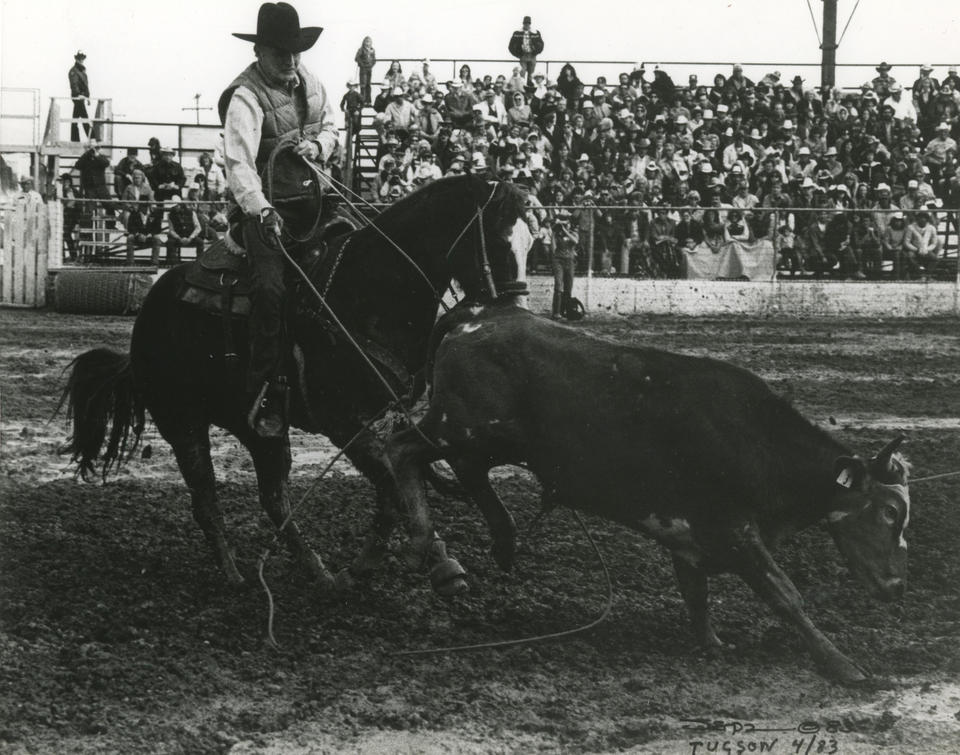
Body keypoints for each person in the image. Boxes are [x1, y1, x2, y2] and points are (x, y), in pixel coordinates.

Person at [220, 1, 338, 437]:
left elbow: (332, 125)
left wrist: (319, 146)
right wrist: (262, 210)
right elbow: (239, 164)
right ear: (260, 53)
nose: (290, 61)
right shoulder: (244, 97)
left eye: (295, 52)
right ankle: (263, 390)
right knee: (270, 290)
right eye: (280, 53)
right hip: (264, 209)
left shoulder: (310, 82)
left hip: (314, 201)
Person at [165, 195, 203, 264]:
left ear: (180, 204)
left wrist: (190, 237)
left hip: (190, 236)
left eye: (176, 206)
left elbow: (198, 227)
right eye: (174, 207)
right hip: (178, 237)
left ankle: (199, 263)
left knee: (200, 242)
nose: (175, 208)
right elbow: (171, 230)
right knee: (170, 242)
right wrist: (179, 238)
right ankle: (173, 264)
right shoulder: (170, 215)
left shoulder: (191, 213)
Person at [508, 15, 544, 83]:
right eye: (525, 23)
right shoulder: (517, 33)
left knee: (531, 74)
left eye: (528, 23)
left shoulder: (536, 32)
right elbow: (511, 46)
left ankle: (530, 89)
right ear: (523, 23)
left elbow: (541, 44)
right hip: (523, 55)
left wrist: (536, 51)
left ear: (530, 24)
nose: (527, 25)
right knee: (522, 73)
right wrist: (518, 54)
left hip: (532, 55)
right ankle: (522, 88)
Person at [68, 50, 91, 142]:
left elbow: (85, 85)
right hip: (78, 97)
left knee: (76, 118)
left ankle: (75, 139)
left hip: (82, 97)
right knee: (84, 117)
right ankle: (92, 137)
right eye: (79, 58)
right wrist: (78, 95)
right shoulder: (74, 71)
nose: (81, 60)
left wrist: (87, 97)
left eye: (82, 58)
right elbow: (74, 85)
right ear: (76, 59)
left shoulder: (82, 71)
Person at [354, 36, 376, 105]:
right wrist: (362, 64)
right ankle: (362, 100)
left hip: (369, 68)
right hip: (363, 69)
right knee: (363, 85)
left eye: (369, 41)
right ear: (364, 42)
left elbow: (374, 59)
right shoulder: (361, 50)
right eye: (366, 41)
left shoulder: (372, 50)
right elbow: (356, 58)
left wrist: (372, 64)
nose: (367, 43)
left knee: (368, 85)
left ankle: (368, 101)